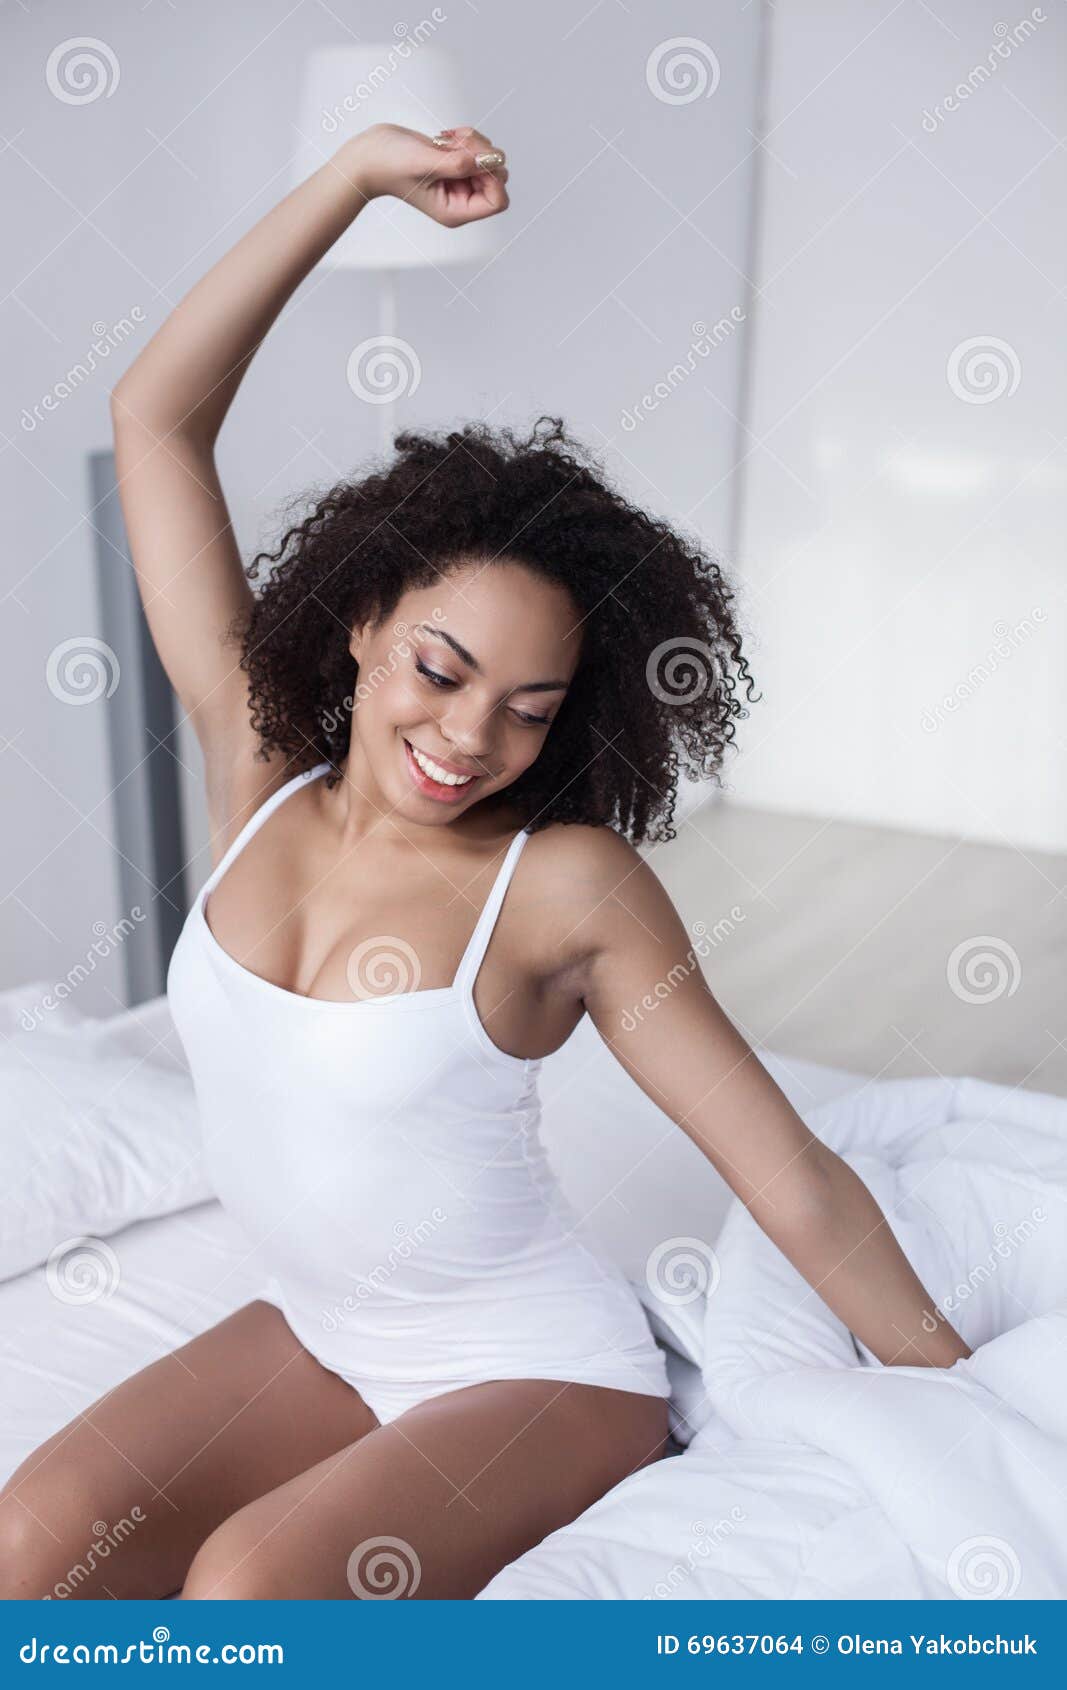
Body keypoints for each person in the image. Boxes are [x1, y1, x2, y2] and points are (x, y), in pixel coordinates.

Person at [0, 122, 969, 1602]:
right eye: (439, 671)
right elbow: (155, 420)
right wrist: (345, 180)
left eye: (528, 709)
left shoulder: (566, 885)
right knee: (31, 1539)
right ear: (358, 621)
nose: (468, 739)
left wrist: (957, 1392)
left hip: (535, 1373)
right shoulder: (256, 770)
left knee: (249, 1588)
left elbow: (788, 1173)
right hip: (323, 1331)